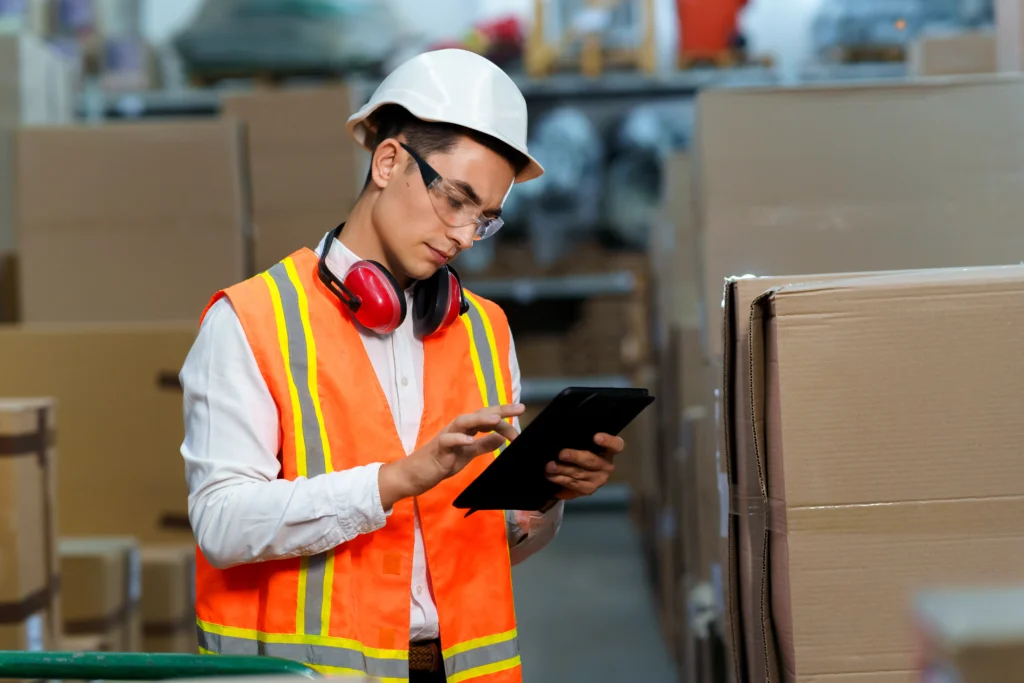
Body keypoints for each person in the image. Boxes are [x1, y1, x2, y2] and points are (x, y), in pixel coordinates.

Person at [179, 48, 626, 683]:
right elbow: (221, 523)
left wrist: (545, 499)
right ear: (388, 161)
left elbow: (484, 546)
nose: (465, 236)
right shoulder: (251, 322)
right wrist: (393, 480)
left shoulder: (484, 331)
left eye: (486, 218)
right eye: (457, 199)